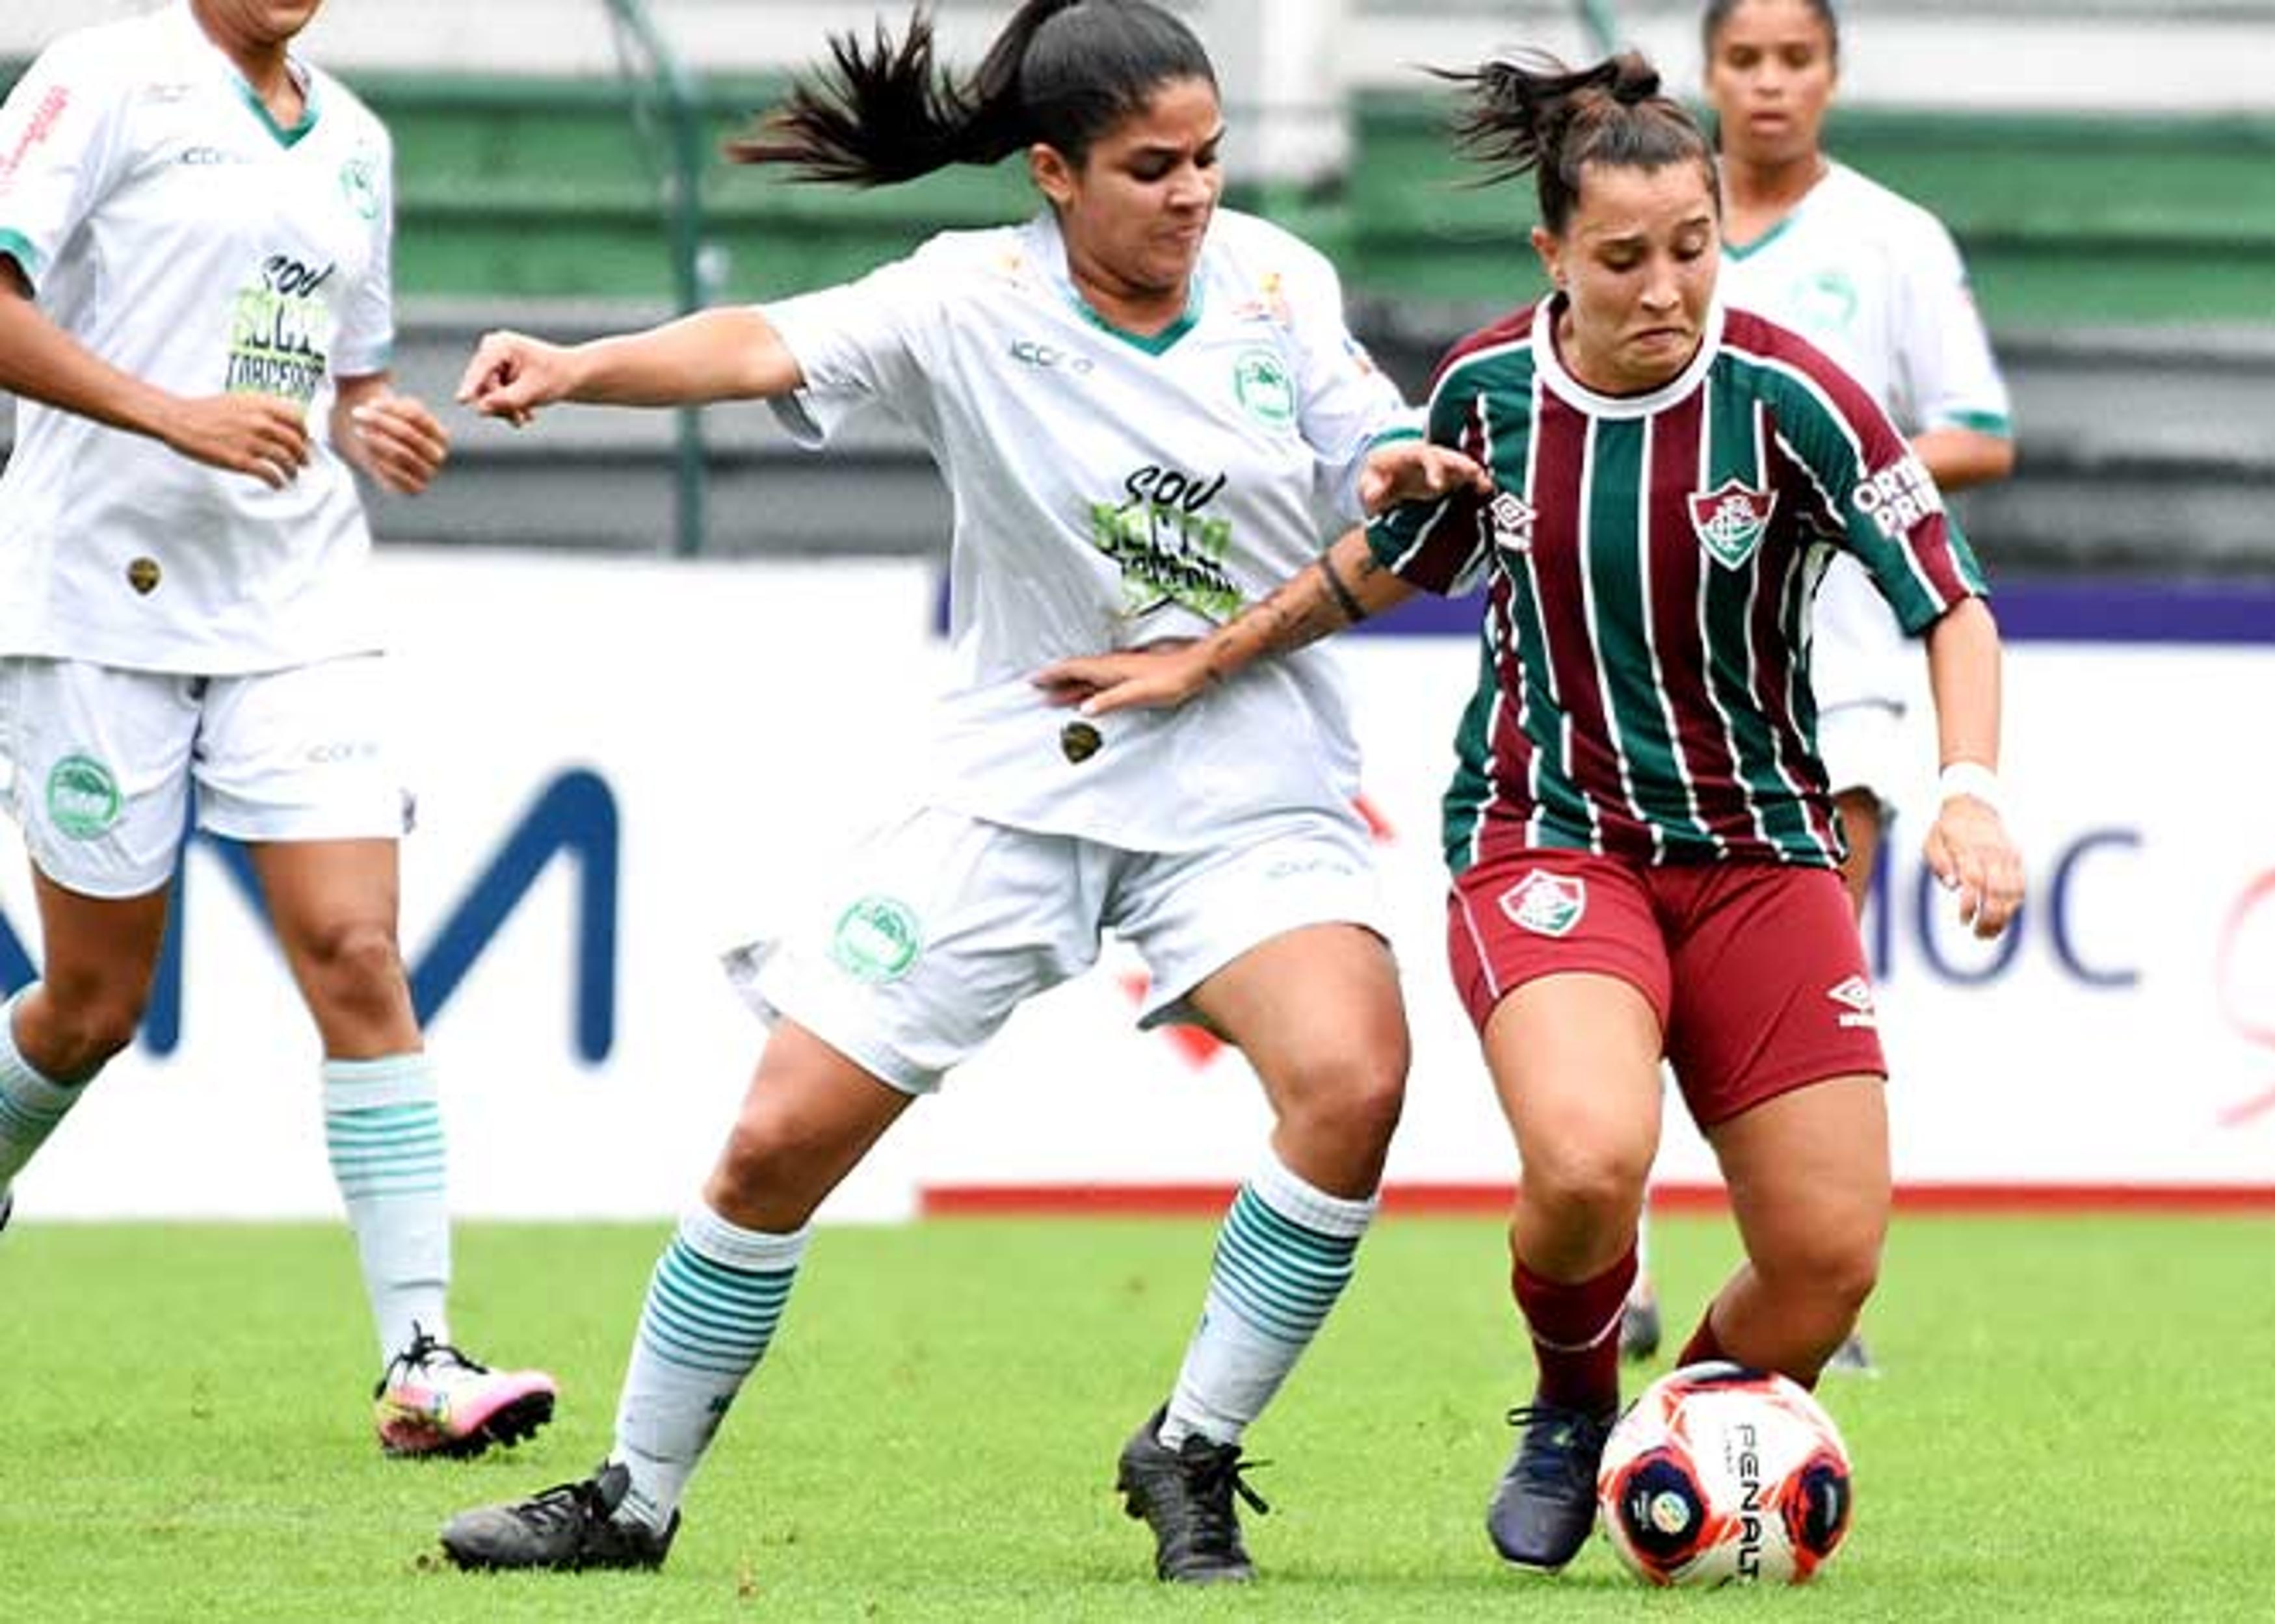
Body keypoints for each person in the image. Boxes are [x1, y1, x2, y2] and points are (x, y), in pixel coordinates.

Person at [434, 0, 1482, 1584]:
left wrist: (1401, 463)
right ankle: (632, 1499)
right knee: (778, 1139)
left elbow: (1365, 439)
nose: (1194, 193)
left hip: (1247, 779)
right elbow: (764, 342)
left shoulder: (1277, 277)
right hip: (1023, 781)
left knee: (1352, 1080)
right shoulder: (964, 302)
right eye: (1153, 167)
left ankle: (1190, 1446)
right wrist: (581, 365)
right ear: (1054, 173)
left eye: (1208, 157)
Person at [1035, 49, 2025, 1573]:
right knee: (1583, 1160)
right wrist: (1206, 657)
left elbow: (1951, 606)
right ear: (1554, 253)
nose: (1665, 288)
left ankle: (1680, 1432)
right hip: (1550, 837)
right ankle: (1574, 1409)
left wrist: (1967, 792)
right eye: (1623, 258)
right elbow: (1387, 561)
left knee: (1826, 1264)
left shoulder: (1796, 399)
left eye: (1692, 248)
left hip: (1764, 855)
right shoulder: (1491, 394)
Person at [0, 1, 556, 1454]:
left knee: (361, 951)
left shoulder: (356, 141)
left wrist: (376, 421)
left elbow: (342, 374)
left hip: (292, 601)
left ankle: (422, 1359)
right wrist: (169, 416)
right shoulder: (106, 77)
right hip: (95, 604)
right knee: (92, 1009)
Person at [1612, 0, 2023, 1369]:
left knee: (1790, 973)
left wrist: (1828, 460)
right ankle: (1635, 1267)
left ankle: (1789, 1268)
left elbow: (1980, 433)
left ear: (1833, 76)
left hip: (1837, 659)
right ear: (1710, 73)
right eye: (1746, 58)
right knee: (1636, 989)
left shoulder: (1893, 240)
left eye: (1797, 59)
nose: (1772, 83)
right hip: (1659, 660)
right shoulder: (1659, 227)